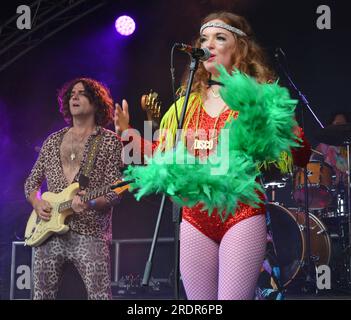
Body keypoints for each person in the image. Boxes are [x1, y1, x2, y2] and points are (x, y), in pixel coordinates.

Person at [114, 12, 310, 300]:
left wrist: (286, 125)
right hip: (195, 216)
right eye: (204, 39)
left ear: (240, 48)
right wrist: (128, 133)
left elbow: (300, 157)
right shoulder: (186, 106)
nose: (210, 45)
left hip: (240, 213)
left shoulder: (258, 99)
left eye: (220, 38)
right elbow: (164, 154)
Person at [24, 78, 123, 300]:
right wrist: (37, 202)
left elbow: (114, 191)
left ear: (96, 103)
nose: (74, 97)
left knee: (101, 297)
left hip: (90, 233)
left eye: (82, 93)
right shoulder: (52, 141)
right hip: (48, 234)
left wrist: (91, 202)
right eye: (72, 94)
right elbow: (32, 183)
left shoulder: (109, 141)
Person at [314, 112, 350, 186]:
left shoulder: (348, 145)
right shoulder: (323, 146)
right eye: (337, 125)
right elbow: (314, 163)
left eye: (342, 125)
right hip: (329, 186)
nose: (339, 129)